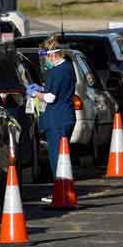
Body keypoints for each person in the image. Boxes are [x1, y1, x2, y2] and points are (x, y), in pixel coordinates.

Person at [27, 34, 76, 197]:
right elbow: (57, 90)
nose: (45, 61)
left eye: (45, 57)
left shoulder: (56, 72)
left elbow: (50, 97)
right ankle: (64, 191)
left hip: (57, 120)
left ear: (51, 55)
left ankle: (59, 193)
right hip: (67, 117)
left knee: (57, 160)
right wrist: (42, 88)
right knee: (63, 158)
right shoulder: (68, 67)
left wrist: (35, 94)